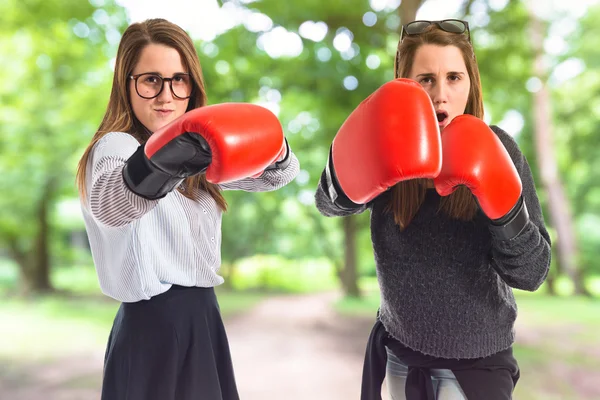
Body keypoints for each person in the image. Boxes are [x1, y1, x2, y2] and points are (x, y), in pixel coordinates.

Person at [314, 19, 551, 400]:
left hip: (480, 362)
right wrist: (346, 166)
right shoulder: (387, 145)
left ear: (470, 84)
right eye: (426, 79)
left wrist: (504, 209)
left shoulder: (499, 147)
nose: (441, 94)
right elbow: (328, 205)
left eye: (454, 78)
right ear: (403, 86)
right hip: (401, 354)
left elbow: (532, 273)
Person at [76, 18, 299, 400]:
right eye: (151, 80)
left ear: (191, 87)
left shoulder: (196, 152)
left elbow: (277, 177)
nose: (166, 96)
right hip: (150, 328)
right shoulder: (116, 146)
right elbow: (110, 204)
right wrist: (164, 161)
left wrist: (271, 142)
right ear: (126, 84)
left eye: (179, 80)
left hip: (203, 319)